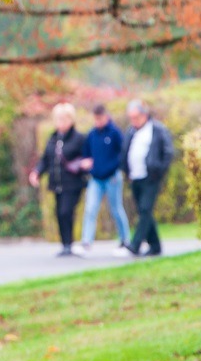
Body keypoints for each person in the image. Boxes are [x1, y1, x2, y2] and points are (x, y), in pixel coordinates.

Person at [27, 102, 89, 256]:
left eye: (63, 119)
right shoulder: (53, 138)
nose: (60, 123)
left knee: (66, 211)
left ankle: (69, 243)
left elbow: (87, 157)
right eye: (58, 119)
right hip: (57, 183)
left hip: (73, 183)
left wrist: (86, 165)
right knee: (59, 213)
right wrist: (36, 172)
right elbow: (46, 159)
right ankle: (65, 244)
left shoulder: (78, 138)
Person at [124, 99, 176, 256]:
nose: (134, 121)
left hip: (150, 177)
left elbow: (168, 152)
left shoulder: (157, 129)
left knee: (145, 209)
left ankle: (135, 244)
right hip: (135, 177)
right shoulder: (131, 131)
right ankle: (155, 246)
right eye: (131, 118)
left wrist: (158, 171)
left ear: (144, 115)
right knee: (143, 211)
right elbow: (125, 152)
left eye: (136, 117)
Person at [79, 103, 132, 255]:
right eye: (95, 119)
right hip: (96, 178)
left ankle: (124, 239)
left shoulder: (114, 133)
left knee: (116, 209)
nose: (98, 122)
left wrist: (115, 169)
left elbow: (122, 154)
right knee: (90, 209)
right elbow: (86, 154)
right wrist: (86, 162)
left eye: (100, 118)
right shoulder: (92, 134)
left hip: (112, 178)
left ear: (106, 116)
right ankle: (86, 241)